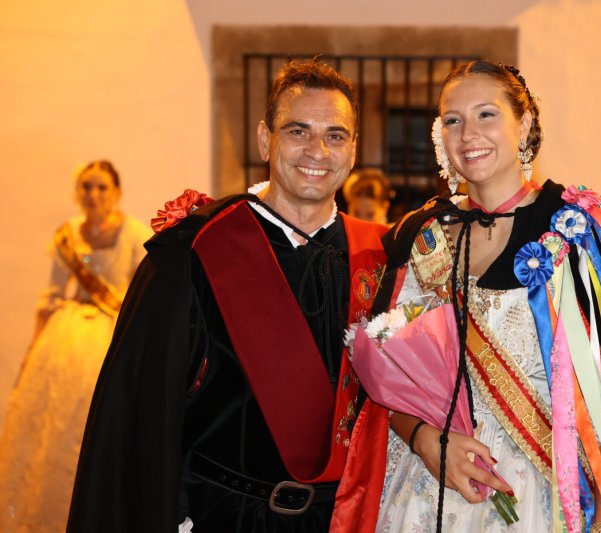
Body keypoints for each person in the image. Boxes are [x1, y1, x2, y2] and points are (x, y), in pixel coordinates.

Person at [331, 61, 601, 532]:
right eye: (453, 119)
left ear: (523, 123)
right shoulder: (421, 234)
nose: (469, 134)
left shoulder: (575, 232)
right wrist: (425, 439)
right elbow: (383, 383)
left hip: (544, 495)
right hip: (429, 488)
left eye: (486, 114)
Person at [66, 60, 387, 533]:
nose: (317, 151)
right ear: (264, 139)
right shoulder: (194, 251)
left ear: (353, 149)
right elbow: (144, 411)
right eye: (297, 131)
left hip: (342, 520)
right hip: (222, 517)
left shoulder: (380, 259)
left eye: (335, 136)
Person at [0, 160, 150, 532]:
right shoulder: (67, 235)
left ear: (116, 192)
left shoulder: (133, 233)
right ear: (77, 192)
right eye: (87, 187)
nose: (93, 195)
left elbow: (142, 293)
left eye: (101, 187)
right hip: (66, 338)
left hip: (111, 333)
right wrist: (34, 348)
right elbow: (52, 295)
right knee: (55, 424)